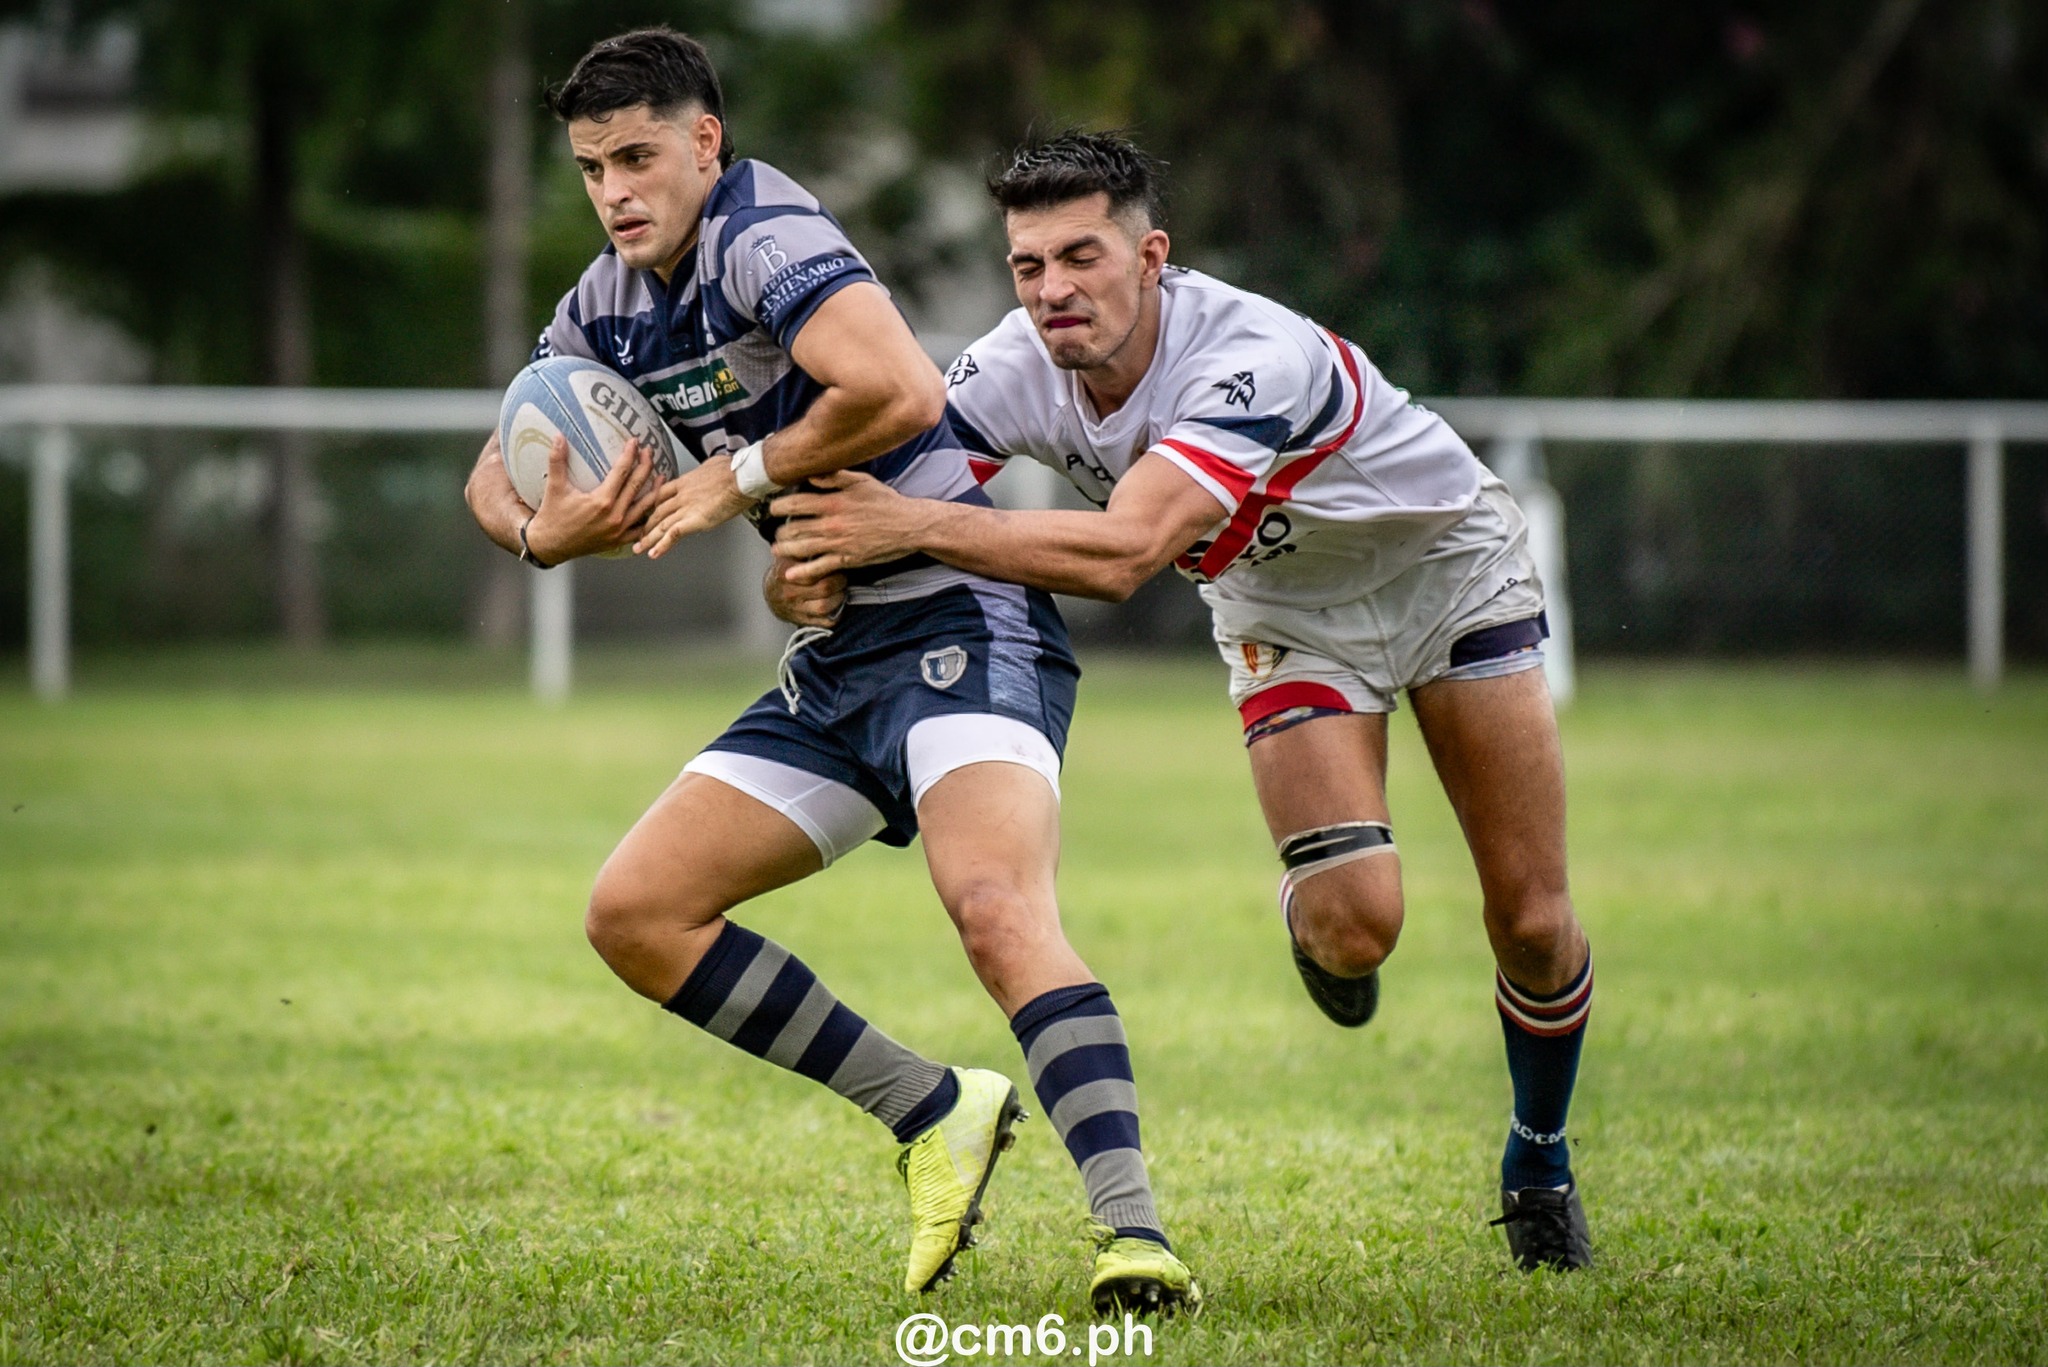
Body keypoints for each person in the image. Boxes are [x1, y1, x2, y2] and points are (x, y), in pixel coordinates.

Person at [770, 131, 1597, 1272]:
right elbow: (881, 490)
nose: (1054, 290)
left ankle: (1538, 1158)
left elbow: (1123, 554)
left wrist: (903, 524)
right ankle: (1314, 913)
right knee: (1355, 927)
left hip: (1449, 571)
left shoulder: (1247, 355)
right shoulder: (1011, 364)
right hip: (1283, 612)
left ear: (1150, 256)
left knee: (1532, 919)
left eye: (1083, 256)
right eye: (1028, 266)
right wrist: (805, 560)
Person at [463, 39, 1197, 1311]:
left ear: (704, 142)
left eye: (636, 156)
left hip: (962, 616)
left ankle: (1132, 1232)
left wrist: (734, 481)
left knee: (993, 906)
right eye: (589, 169)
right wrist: (543, 534)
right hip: (838, 653)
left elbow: (897, 389)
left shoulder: (763, 232)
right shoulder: (605, 301)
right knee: (635, 912)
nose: (614, 192)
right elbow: (493, 466)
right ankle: (930, 1107)